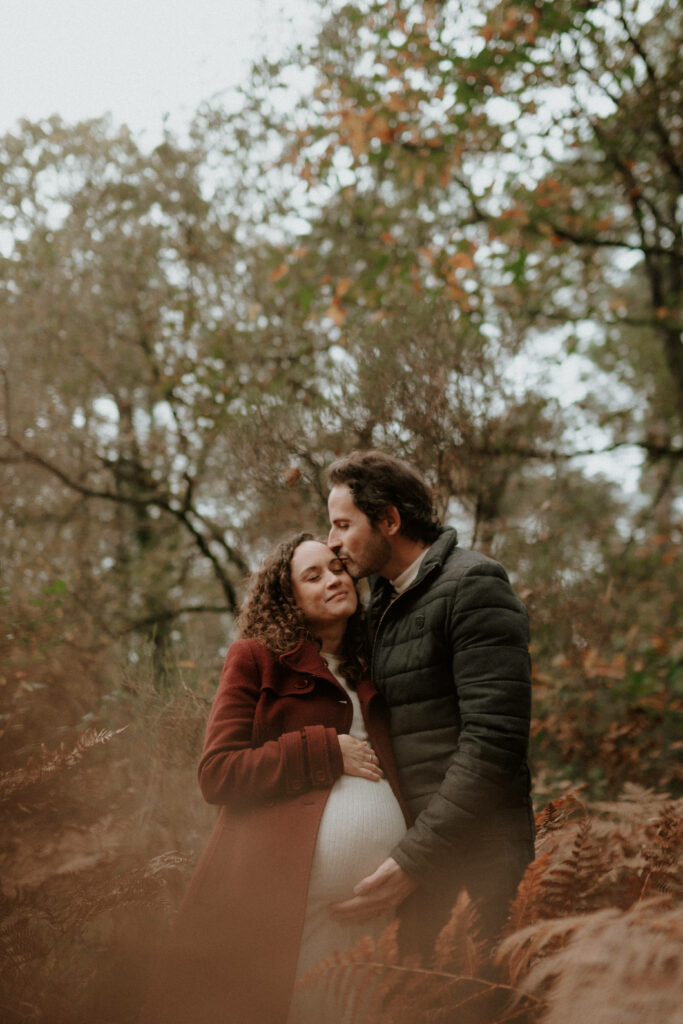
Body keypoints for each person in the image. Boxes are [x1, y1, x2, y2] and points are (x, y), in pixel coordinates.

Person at [140, 533, 409, 1024]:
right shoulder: (256, 658)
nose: (333, 580)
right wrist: (325, 750)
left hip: (382, 908)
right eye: (313, 576)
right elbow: (218, 773)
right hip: (285, 907)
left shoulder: (376, 664)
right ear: (289, 599)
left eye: (337, 569)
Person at [326, 450, 535, 953]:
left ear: (389, 520)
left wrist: (415, 860)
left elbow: (493, 743)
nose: (331, 541)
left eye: (343, 525)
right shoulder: (378, 604)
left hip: (479, 862)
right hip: (418, 861)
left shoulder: (474, 584)